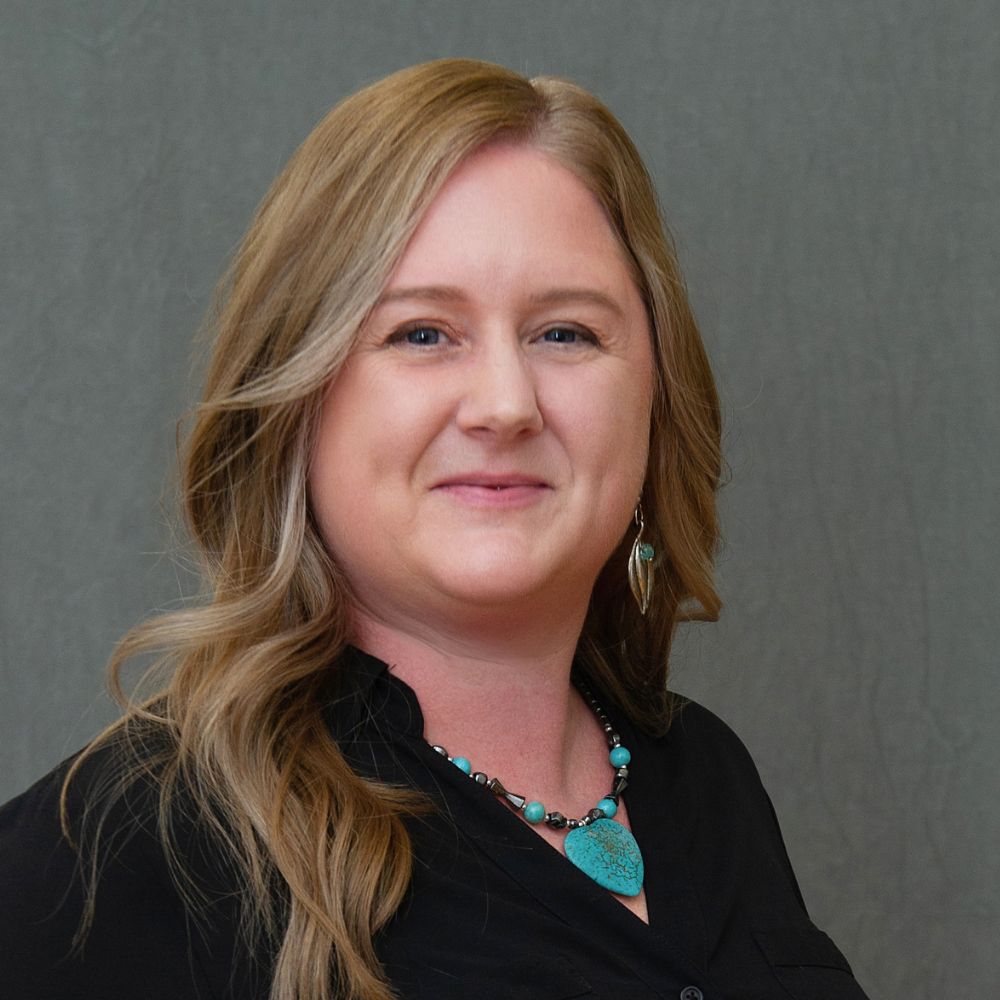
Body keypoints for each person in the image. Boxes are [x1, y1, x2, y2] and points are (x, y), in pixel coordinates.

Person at [0, 59, 870, 1000]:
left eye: (565, 333)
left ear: (657, 398)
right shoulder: (135, 842)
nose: (505, 404)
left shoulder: (704, 779)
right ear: (297, 401)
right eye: (422, 334)